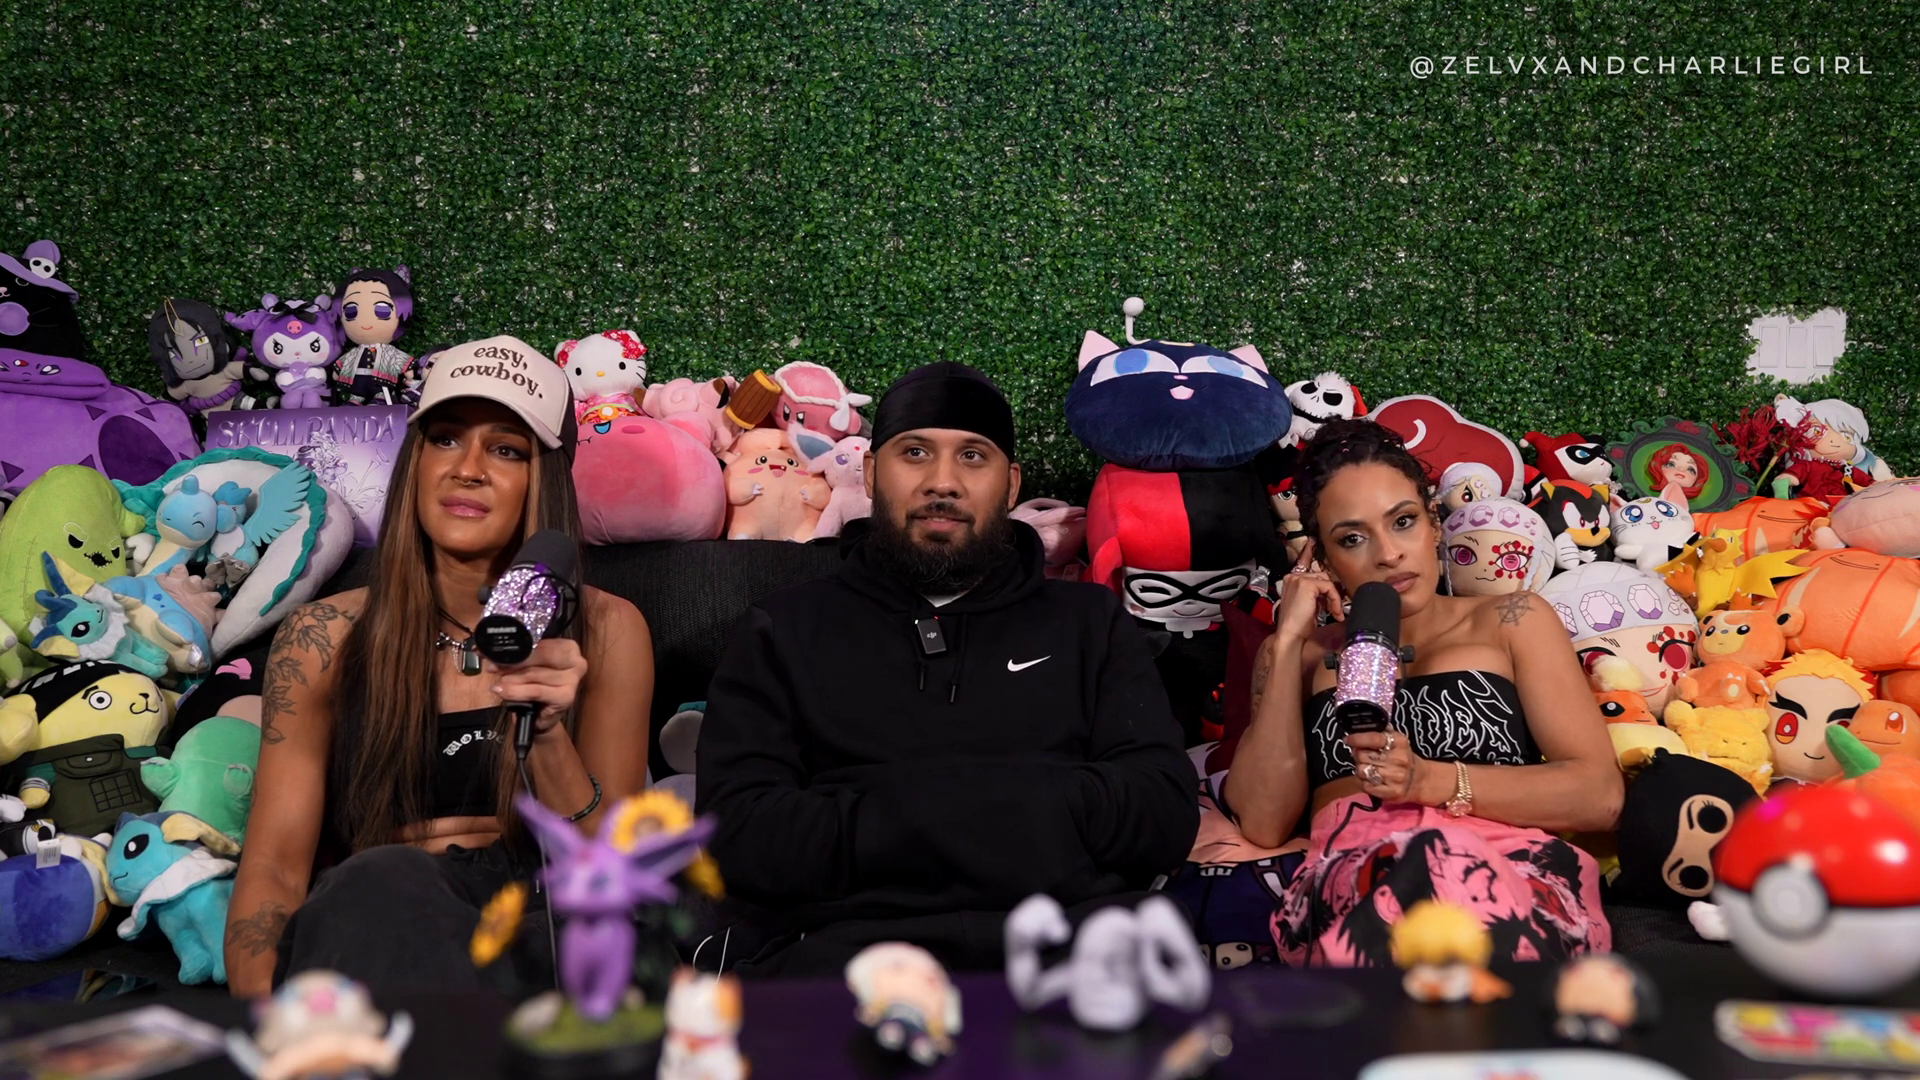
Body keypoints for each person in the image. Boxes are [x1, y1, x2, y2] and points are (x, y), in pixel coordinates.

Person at [696, 362, 1198, 976]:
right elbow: (740, 833)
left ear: (1010, 485)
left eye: (973, 457)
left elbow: (1162, 812)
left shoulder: (1090, 621)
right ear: (871, 473)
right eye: (915, 453)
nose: (943, 482)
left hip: (1073, 960)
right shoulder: (784, 626)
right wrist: (1025, 811)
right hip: (841, 962)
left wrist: (878, 817)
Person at [224, 336, 654, 998]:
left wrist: (545, 734)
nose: (468, 469)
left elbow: (611, 874)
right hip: (386, 924)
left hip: (543, 921)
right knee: (382, 882)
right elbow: (274, 871)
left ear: (544, 480)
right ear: (415, 463)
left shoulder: (608, 630)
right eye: (446, 439)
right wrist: (267, 1023)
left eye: (506, 450)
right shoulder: (321, 636)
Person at [1221, 419, 1621, 967]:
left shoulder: (1512, 619)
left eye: (1403, 521)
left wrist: (1429, 782)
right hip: (1356, 886)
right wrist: (1289, 640)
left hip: (1505, 877)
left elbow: (1600, 795)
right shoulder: (1300, 654)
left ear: (1434, 524)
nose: (1388, 554)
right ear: (1323, 559)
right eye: (1352, 539)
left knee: (1439, 884)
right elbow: (1264, 823)